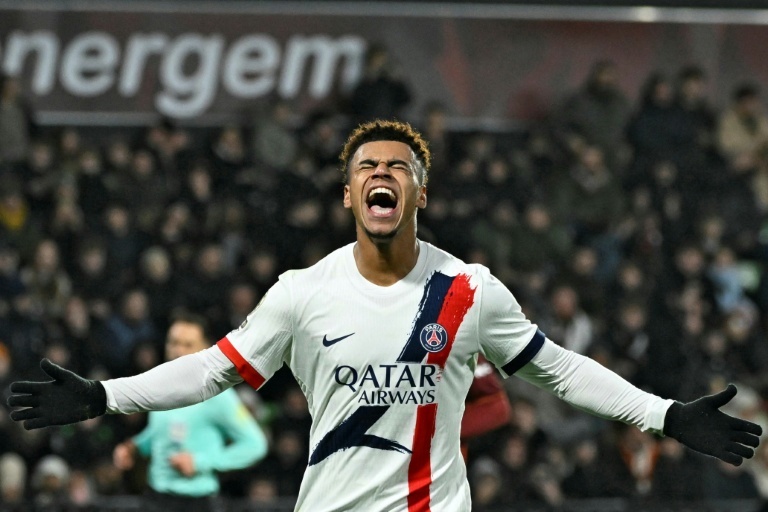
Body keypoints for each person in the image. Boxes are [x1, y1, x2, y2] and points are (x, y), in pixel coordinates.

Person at [6, 120, 763, 512]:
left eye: (398, 167)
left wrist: (664, 414)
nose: (382, 174)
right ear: (348, 195)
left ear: (419, 193)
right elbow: (211, 371)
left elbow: (559, 371)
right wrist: (105, 396)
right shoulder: (302, 292)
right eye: (367, 166)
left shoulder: (469, 290)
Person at [111, 311, 268, 512]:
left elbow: (255, 444)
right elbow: (161, 432)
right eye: (174, 342)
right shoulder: (161, 385)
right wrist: (135, 447)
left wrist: (200, 462)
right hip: (155, 498)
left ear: (205, 349)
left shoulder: (217, 395)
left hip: (195, 503)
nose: (178, 350)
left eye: (188, 345)